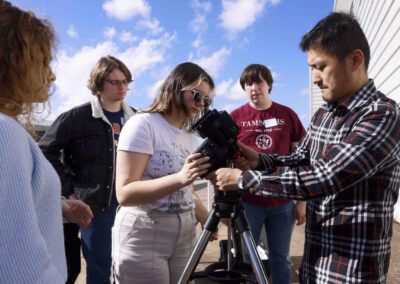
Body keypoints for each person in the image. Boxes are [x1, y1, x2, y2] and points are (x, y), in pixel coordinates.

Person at [208, 12, 400, 283]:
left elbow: (325, 177)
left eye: (321, 67)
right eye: (312, 68)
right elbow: (302, 157)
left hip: (350, 270)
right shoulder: (325, 112)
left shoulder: (382, 114)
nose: (314, 78)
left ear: (355, 60)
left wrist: (244, 179)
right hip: (314, 263)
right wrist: (260, 161)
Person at [113, 62, 216, 284]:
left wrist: (205, 216)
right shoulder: (143, 125)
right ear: (175, 88)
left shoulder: (191, 136)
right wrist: (180, 177)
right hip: (145, 233)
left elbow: (185, 188)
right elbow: (125, 193)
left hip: (186, 235)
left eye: (206, 100)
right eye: (197, 95)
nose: (201, 104)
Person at [39, 55, 136, 284]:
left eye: (126, 82)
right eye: (115, 82)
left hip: (131, 206)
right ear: (100, 83)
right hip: (95, 207)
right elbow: (45, 151)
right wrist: (70, 191)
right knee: (99, 266)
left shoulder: (137, 118)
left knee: (130, 265)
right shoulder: (76, 118)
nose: (122, 87)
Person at [0, 1, 67, 282]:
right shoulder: (5, 132)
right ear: (14, 60)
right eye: (43, 61)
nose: (51, 74)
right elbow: (21, 270)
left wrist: (57, 206)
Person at [230, 63, 306, 284]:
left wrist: (302, 202)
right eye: (248, 83)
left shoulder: (287, 114)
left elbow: (301, 159)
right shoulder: (236, 117)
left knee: (280, 257)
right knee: (250, 258)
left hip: (282, 202)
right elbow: (228, 162)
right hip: (248, 202)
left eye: (258, 81)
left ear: (269, 84)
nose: (253, 87)